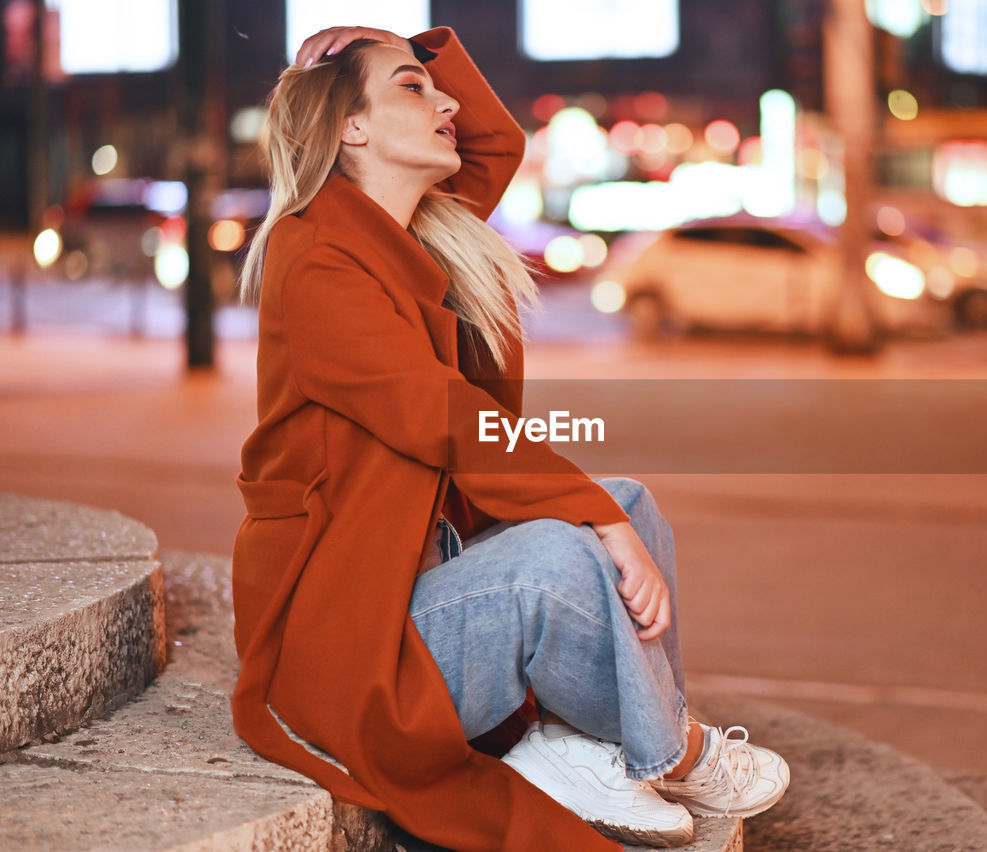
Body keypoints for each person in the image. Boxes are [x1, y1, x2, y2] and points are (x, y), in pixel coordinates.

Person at [230, 24, 789, 851]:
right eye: (413, 89)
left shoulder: (422, 231)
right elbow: (443, 416)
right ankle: (673, 751)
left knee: (631, 500)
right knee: (566, 549)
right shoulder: (316, 260)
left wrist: (402, 44)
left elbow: (495, 137)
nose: (446, 101)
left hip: (426, 581)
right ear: (351, 127)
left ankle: (580, 746)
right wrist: (591, 517)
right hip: (347, 649)